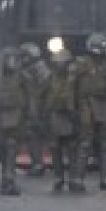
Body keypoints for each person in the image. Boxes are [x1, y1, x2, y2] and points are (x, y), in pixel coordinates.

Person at [75, 33, 106, 190]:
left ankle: (105, 179)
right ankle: (78, 179)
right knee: (85, 143)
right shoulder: (82, 63)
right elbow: (73, 86)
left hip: (104, 105)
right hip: (86, 104)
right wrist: (73, 106)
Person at [41, 47, 81, 193]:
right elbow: (42, 94)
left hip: (71, 115)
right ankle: (58, 177)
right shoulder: (50, 77)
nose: (60, 64)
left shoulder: (74, 78)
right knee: (55, 147)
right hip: (55, 114)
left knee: (72, 148)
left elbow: (81, 94)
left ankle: (73, 178)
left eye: (63, 62)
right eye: (58, 62)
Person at [0, 48, 28, 196]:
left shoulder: (22, 77)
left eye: (14, 59)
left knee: (11, 146)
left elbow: (30, 96)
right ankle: (6, 177)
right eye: (9, 59)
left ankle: (8, 178)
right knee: (2, 148)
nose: (12, 62)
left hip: (16, 115)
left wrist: (31, 114)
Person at [19, 43, 49, 177]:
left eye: (24, 56)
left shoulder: (39, 69)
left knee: (34, 137)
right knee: (32, 137)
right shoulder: (33, 69)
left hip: (36, 107)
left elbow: (40, 89)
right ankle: (37, 163)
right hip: (33, 106)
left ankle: (38, 164)